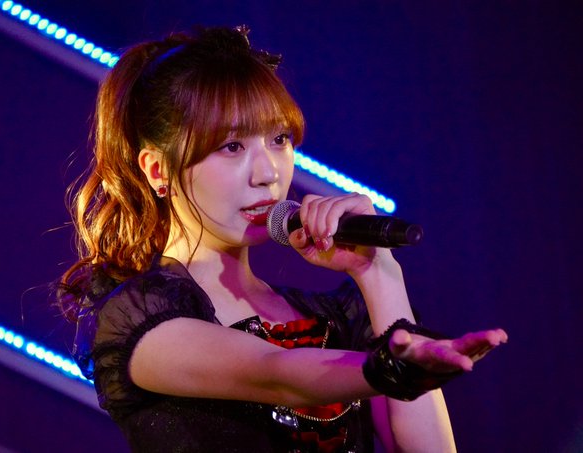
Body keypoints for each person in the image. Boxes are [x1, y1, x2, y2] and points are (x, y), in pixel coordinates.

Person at [58, 25, 507, 453]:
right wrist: (395, 367)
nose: (268, 173)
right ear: (158, 170)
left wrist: (379, 273)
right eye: (231, 146)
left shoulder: (332, 319)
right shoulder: (141, 318)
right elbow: (276, 372)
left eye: (279, 139)